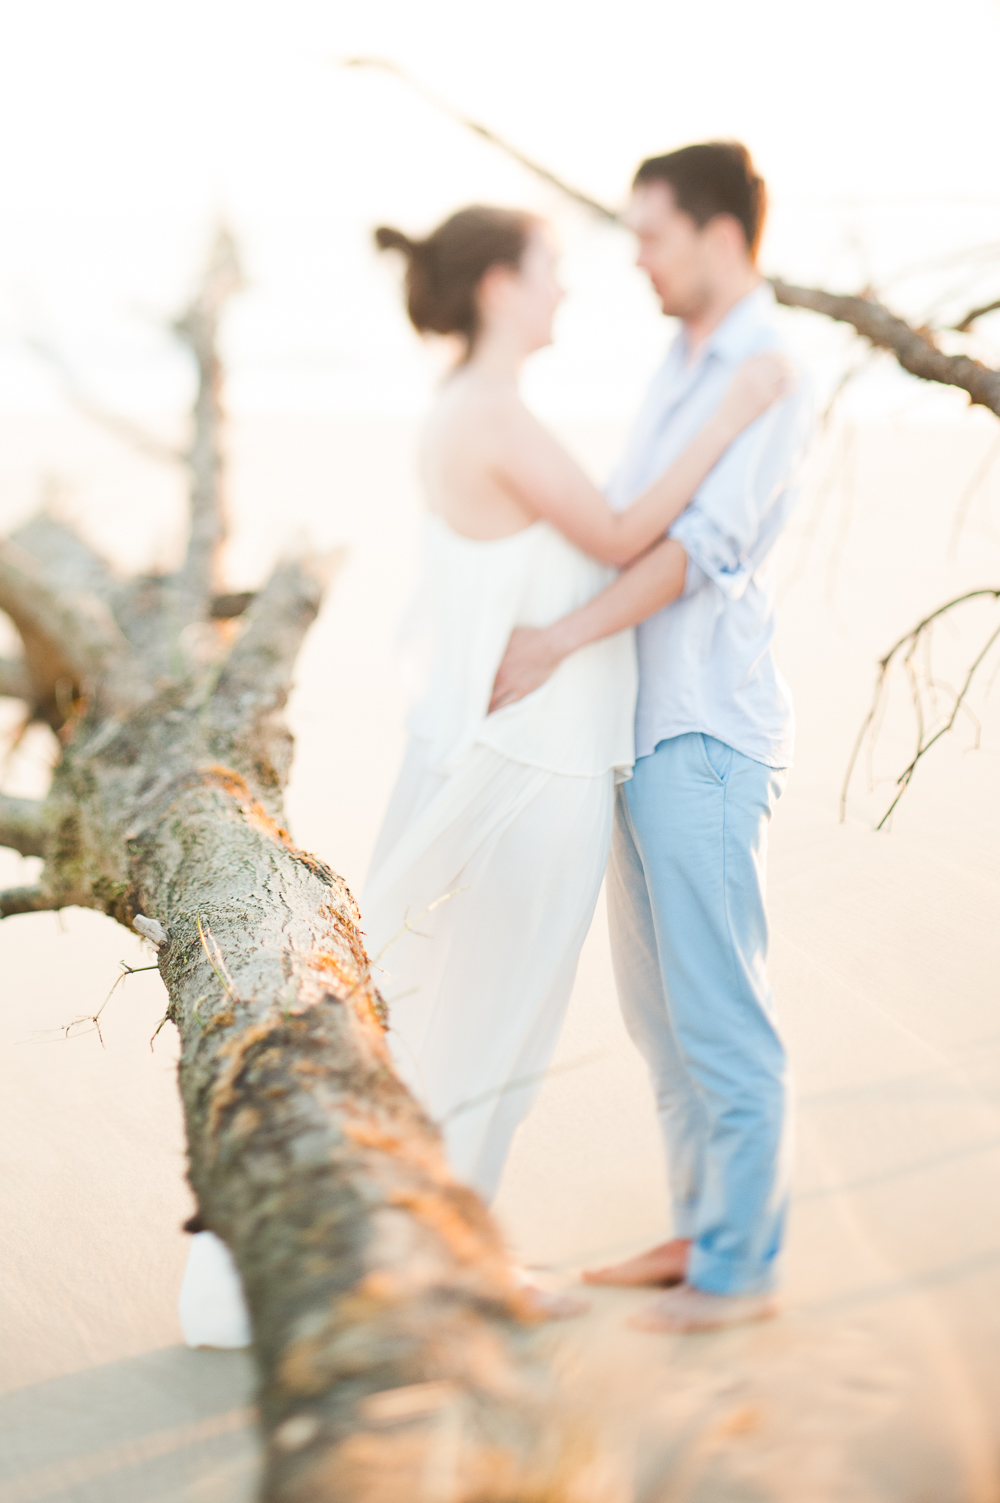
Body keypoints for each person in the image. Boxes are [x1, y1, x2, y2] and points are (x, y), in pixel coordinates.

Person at [178, 193, 791, 1348]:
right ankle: (451, 1257)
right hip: (539, 761)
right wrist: (728, 418)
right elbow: (616, 537)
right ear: (502, 287)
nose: (569, 286)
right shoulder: (492, 413)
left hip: (529, 748)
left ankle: (433, 1239)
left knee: (460, 1009)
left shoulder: (472, 405)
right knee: (490, 1021)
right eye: (551, 267)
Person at [488, 143, 814, 1333]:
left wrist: (557, 637)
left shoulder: (766, 364)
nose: (634, 256)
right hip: (644, 732)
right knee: (663, 1021)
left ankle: (740, 1275)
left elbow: (693, 553)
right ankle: (697, 1235)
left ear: (721, 235)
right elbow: (622, 517)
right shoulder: (683, 361)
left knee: (722, 1017)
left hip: (704, 738)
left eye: (652, 233)